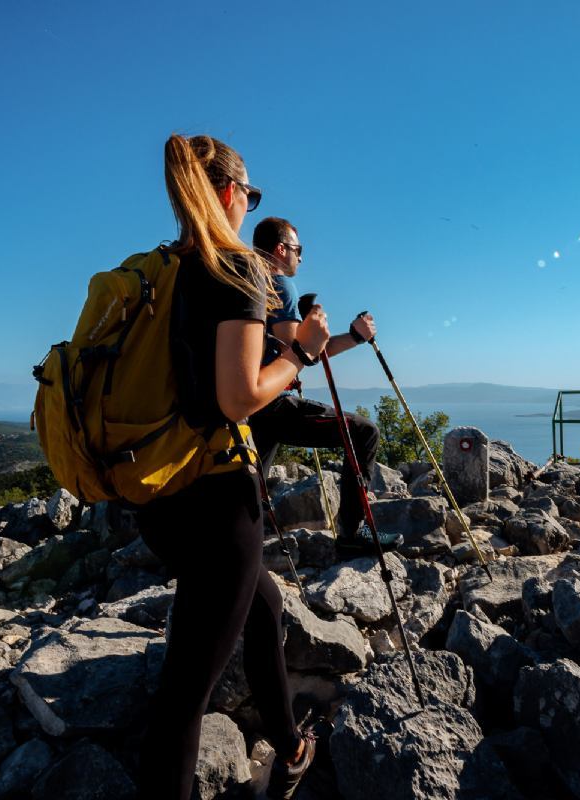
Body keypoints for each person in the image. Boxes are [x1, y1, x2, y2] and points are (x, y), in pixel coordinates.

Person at [138, 135, 326, 800]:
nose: (249, 207)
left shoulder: (160, 268)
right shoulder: (239, 269)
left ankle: (288, 740)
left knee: (263, 601)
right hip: (218, 498)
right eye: (248, 195)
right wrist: (301, 354)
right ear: (228, 194)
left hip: (157, 492)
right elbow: (239, 395)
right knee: (183, 694)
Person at [249, 216, 403, 556]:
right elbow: (302, 350)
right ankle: (352, 531)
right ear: (280, 249)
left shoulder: (247, 282)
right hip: (274, 402)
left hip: (248, 401)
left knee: (248, 487)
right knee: (363, 433)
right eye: (298, 250)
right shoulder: (278, 283)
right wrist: (356, 335)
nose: (300, 258)